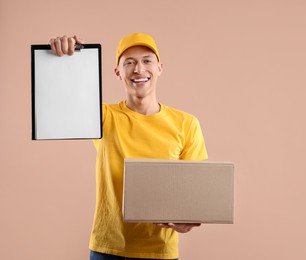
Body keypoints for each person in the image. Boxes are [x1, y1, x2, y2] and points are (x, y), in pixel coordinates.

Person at [49, 33, 208, 260]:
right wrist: (67, 58)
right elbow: (62, 100)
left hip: (160, 252)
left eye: (146, 60)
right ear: (118, 72)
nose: (138, 69)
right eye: (129, 62)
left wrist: (188, 220)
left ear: (160, 68)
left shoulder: (186, 124)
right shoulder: (102, 116)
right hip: (108, 249)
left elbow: (196, 194)